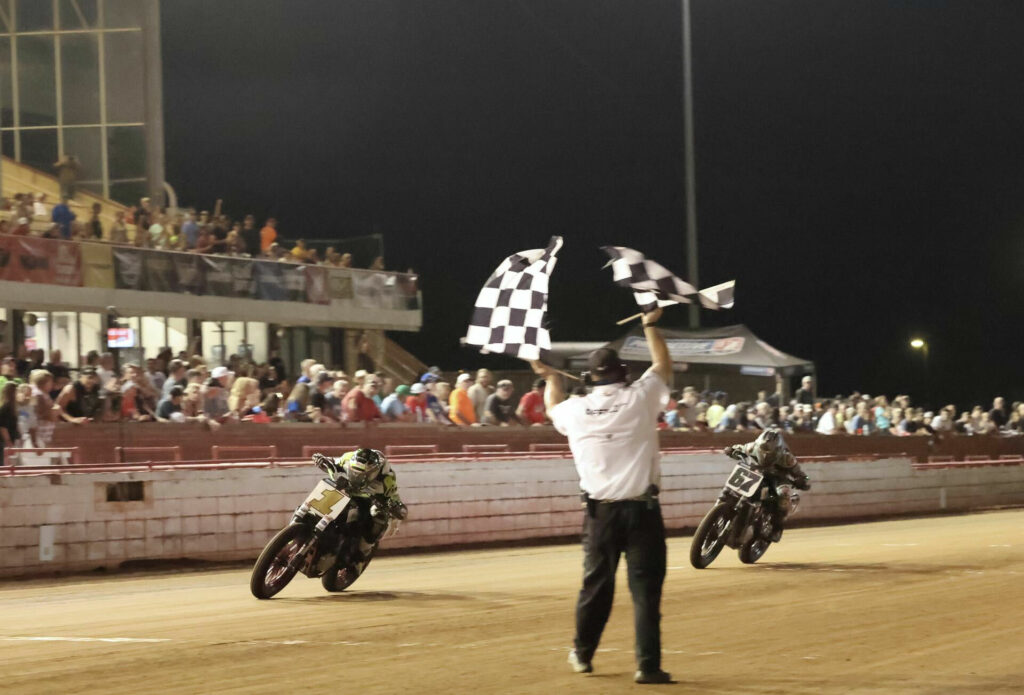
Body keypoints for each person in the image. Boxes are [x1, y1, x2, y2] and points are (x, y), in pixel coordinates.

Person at [531, 307, 673, 684]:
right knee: (645, 593)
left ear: (590, 378)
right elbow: (662, 365)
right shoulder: (641, 398)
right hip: (642, 511)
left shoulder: (575, 411)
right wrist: (650, 326)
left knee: (596, 588)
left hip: (600, 515)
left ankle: (582, 652)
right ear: (622, 373)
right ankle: (647, 665)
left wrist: (548, 376)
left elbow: (551, 407)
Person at [311, 448, 408, 577]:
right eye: (355, 471)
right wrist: (323, 461)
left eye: (362, 473)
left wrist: (395, 507)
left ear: (374, 471)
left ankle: (361, 555)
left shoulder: (387, 479)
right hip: (345, 492)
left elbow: (396, 501)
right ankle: (304, 523)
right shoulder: (348, 458)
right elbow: (333, 463)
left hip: (367, 501)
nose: (357, 476)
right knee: (326, 491)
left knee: (378, 515)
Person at [723, 428, 810, 541]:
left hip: (777, 478)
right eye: (763, 448)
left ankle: (777, 527)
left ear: (779, 450)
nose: (765, 453)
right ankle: (723, 503)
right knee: (735, 483)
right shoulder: (752, 447)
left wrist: (802, 480)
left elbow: (800, 473)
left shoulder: (787, 458)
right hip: (756, 473)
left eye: (770, 451)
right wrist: (731, 450)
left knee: (783, 493)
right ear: (758, 444)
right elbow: (739, 448)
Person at [0, 382, 20, 462]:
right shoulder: (6, 408)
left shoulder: (11, 408)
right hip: (3, 443)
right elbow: (3, 427)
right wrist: (8, 442)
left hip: (8, 441)